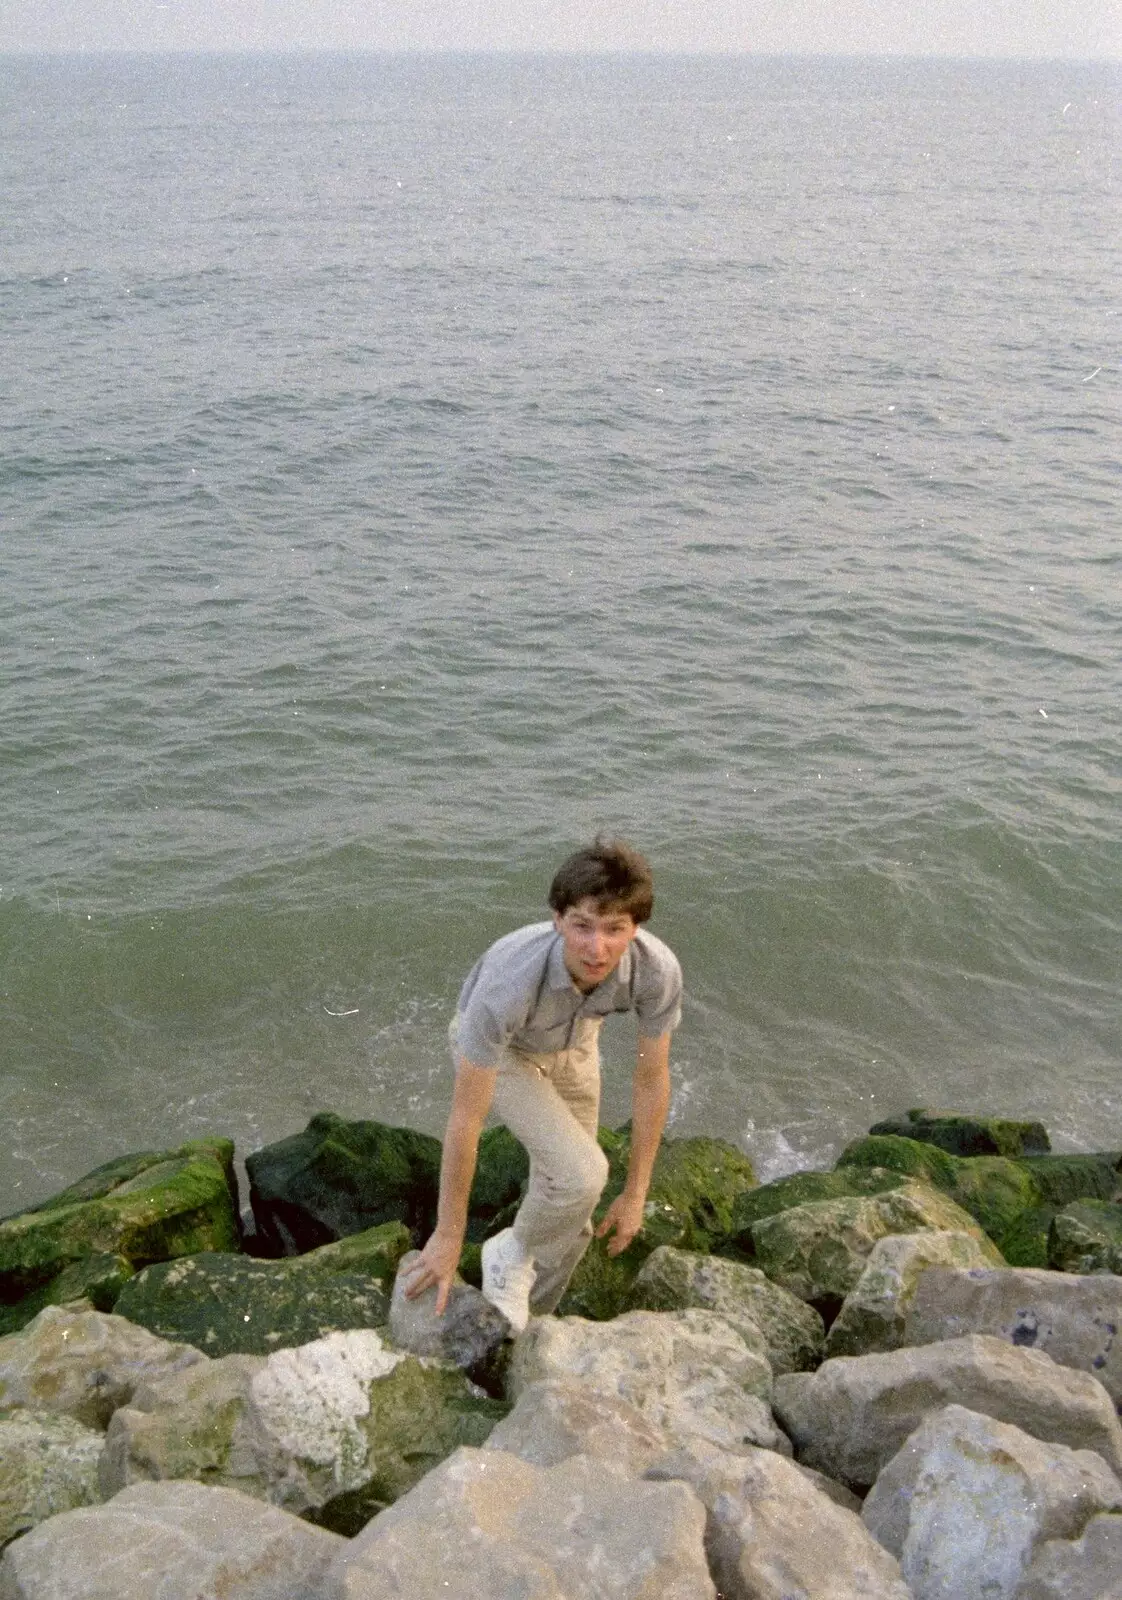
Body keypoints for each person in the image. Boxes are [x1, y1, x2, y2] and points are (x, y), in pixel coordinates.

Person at [401, 838, 682, 1332]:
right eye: (582, 927)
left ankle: (529, 1329)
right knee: (581, 1175)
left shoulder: (656, 972)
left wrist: (636, 1195)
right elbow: (467, 1119)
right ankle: (508, 1252)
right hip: (501, 1051)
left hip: (574, 1044)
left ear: (636, 927)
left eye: (615, 929)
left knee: (576, 1212)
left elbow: (651, 1079)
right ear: (557, 919)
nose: (598, 949)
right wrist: (448, 1235)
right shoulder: (510, 982)